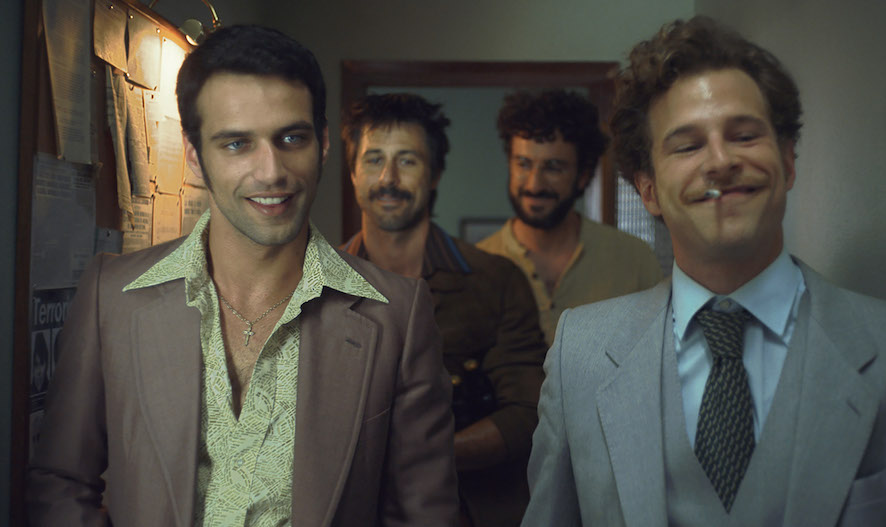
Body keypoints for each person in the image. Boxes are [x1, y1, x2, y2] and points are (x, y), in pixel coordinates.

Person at [522, 16, 886, 526]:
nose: (721, 161)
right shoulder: (580, 360)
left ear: (788, 161)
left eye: (745, 135)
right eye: (688, 145)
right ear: (649, 190)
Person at [26, 26, 457, 526]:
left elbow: (424, 514)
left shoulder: (397, 315)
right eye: (236, 144)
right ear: (194, 155)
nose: (271, 171)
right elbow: (60, 480)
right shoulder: (113, 295)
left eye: (291, 138)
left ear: (321, 144)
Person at [340, 93, 547, 527]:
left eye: (408, 160)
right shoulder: (319, 286)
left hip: (469, 509)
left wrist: (419, 459)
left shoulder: (495, 280)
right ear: (354, 172)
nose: (389, 178)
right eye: (374, 159)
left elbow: (528, 413)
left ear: (434, 174)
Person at [477, 90, 662, 345]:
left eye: (553, 167)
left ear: (583, 175)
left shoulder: (634, 259)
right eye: (523, 164)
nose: (534, 184)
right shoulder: (478, 266)